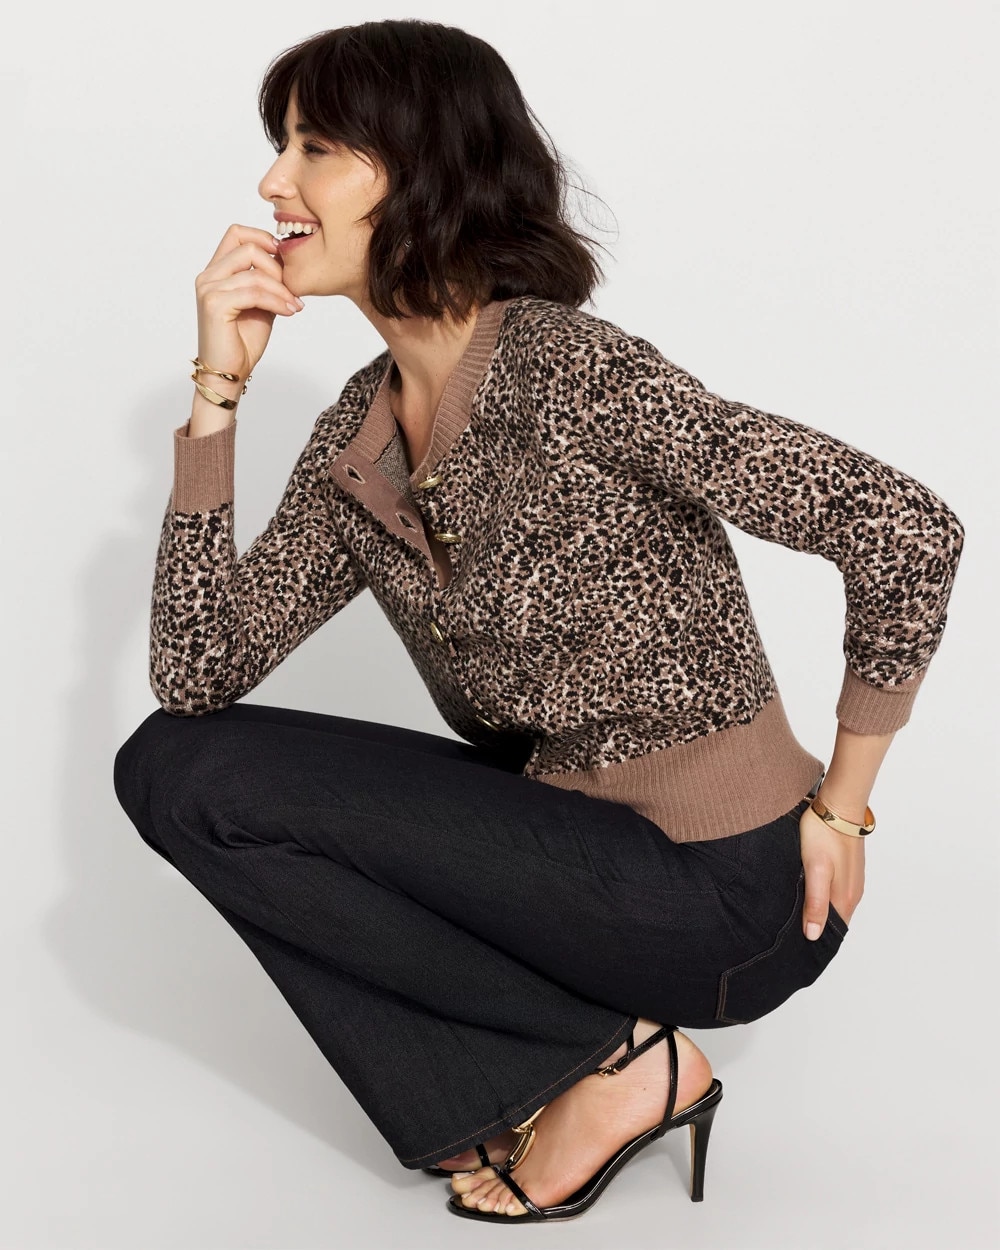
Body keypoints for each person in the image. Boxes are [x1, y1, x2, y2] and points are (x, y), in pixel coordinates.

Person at [112, 19, 965, 1225]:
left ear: (422, 167)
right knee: (172, 766)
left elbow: (903, 526)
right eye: (279, 145)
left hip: (729, 887)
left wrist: (842, 802)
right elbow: (196, 673)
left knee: (194, 773)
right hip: (573, 859)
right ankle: (558, 1072)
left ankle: (619, 1069)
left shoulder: (570, 370)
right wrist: (217, 397)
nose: (271, 182)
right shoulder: (358, 437)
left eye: (313, 147)